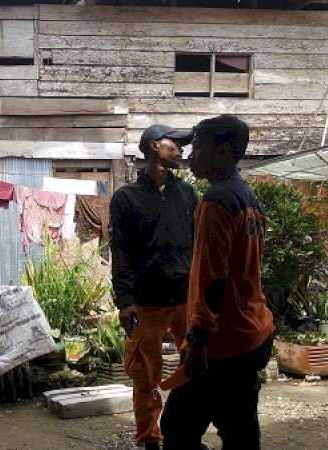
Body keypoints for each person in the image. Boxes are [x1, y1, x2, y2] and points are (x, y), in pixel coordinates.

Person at [161, 115, 275, 450]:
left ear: (222, 151)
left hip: (222, 342)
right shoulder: (248, 198)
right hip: (253, 332)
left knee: (178, 430)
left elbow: (215, 278)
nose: (190, 156)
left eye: (197, 147)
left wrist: (197, 341)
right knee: (239, 430)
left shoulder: (215, 201)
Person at [110, 124, 198, 450]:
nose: (180, 150)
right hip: (146, 302)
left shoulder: (187, 194)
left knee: (195, 366)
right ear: (153, 146)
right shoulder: (126, 198)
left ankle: (185, 432)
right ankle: (149, 438)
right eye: (173, 144)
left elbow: (199, 243)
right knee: (144, 373)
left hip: (186, 298)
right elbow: (119, 250)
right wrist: (124, 299)